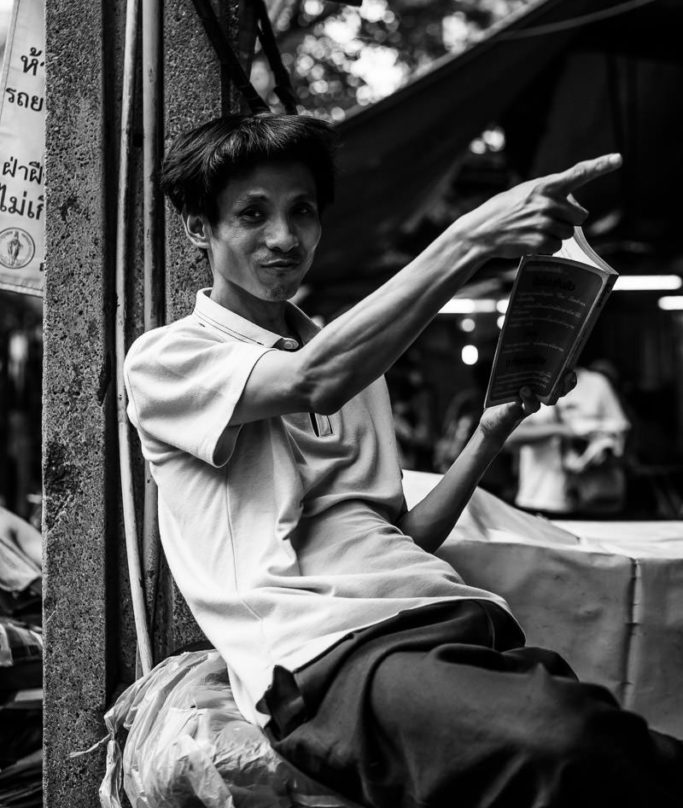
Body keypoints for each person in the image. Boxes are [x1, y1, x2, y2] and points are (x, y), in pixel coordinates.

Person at [124, 114, 682, 808]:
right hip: (325, 658)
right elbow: (310, 380)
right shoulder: (168, 358)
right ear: (198, 230)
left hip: (453, 616)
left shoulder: (352, 366)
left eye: (302, 211)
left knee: (634, 747)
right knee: (570, 743)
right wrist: (471, 237)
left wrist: (490, 430)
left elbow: (401, 537)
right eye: (252, 215)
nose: (284, 238)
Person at [509, 364, 631, 518]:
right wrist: (563, 430)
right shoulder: (531, 384)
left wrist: (598, 448)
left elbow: (622, 430)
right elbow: (509, 437)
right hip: (541, 496)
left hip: (590, 498)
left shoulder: (596, 383)